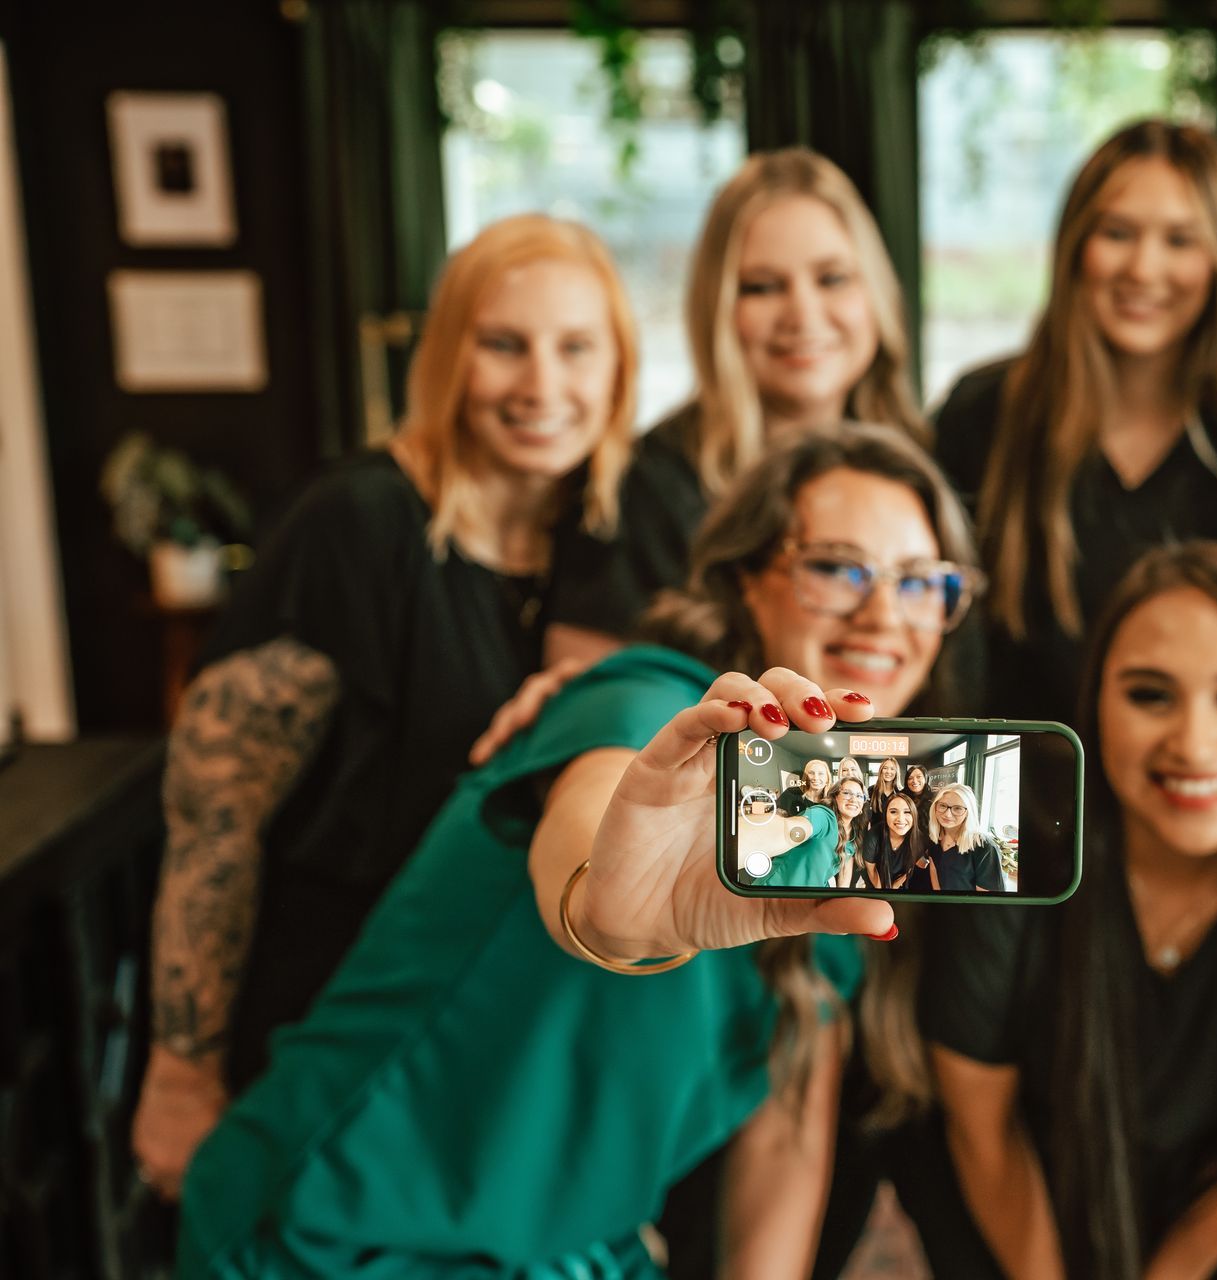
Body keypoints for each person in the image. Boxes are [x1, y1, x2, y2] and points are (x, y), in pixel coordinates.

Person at [174, 422, 983, 1276]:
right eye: (836, 568)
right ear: (749, 581)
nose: (886, 614)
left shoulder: (846, 839)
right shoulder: (645, 709)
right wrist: (610, 911)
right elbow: (591, 835)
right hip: (337, 1225)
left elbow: (784, 1139)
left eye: (923, 581)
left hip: (561, 1252)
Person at [129, 214, 641, 1197]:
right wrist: (180, 1071)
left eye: (576, 347)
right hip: (329, 1005)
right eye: (504, 345)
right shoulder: (357, 522)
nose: (543, 385)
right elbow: (214, 817)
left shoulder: (607, 535)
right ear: (449, 356)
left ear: (618, 364)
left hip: (491, 1020)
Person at [914, 541, 1217, 1278]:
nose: (1195, 745)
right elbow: (983, 1133)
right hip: (1004, 1225)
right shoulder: (1007, 837)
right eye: (1150, 695)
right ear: (1094, 702)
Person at [933, 119, 1217, 724]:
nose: (1143, 269)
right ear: (1076, 246)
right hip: (1013, 796)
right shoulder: (983, 413)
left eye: (1181, 240)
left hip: (1198, 789)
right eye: (1118, 233)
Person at [545, 147, 926, 663]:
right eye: (763, 287)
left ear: (876, 292)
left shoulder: (921, 467)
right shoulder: (638, 490)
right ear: (718, 308)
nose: (803, 314)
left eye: (832, 278)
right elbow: (589, 709)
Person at [927, 783, 1009, 894]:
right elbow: (934, 871)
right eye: (942, 806)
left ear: (968, 812)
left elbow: (987, 898)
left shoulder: (983, 846)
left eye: (957, 808)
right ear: (935, 807)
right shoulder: (934, 839)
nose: (947, 814)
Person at [865, 792, 924, 890]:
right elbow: (872, 871)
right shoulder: (874, 836)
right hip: (875, 886)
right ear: (885, 815)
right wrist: (882, 893)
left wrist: (895, 886)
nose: (901, 819)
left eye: (907, 812)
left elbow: (910, 868)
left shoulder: (919, 839)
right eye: (893, 812)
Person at [830, 776, 870, 889]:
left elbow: (845, 873)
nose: (853, 799)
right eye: (847, 793)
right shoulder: (825, 818)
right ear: (835, 797)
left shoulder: (854, 832)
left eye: (859, 796)